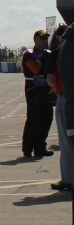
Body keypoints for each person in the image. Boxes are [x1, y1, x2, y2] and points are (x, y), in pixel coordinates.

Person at [46, 25, 73, 193]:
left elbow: (50, 78)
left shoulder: (58, 52)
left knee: (66, 142)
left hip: (66, 98)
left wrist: (57, 89)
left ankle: (68, 179)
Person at [21, 29, 54, 158]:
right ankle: (27, 149)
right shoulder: (28, 54)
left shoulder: (49, 54)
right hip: (33, 88)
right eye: (42, 38)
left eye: (46, 38)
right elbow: (36, 69)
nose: (44, 41)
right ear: (35, 39)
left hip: (46, 89)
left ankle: (40, 148)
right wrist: (47, 68)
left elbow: (53, 70)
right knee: (33, 119)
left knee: (46, 118)